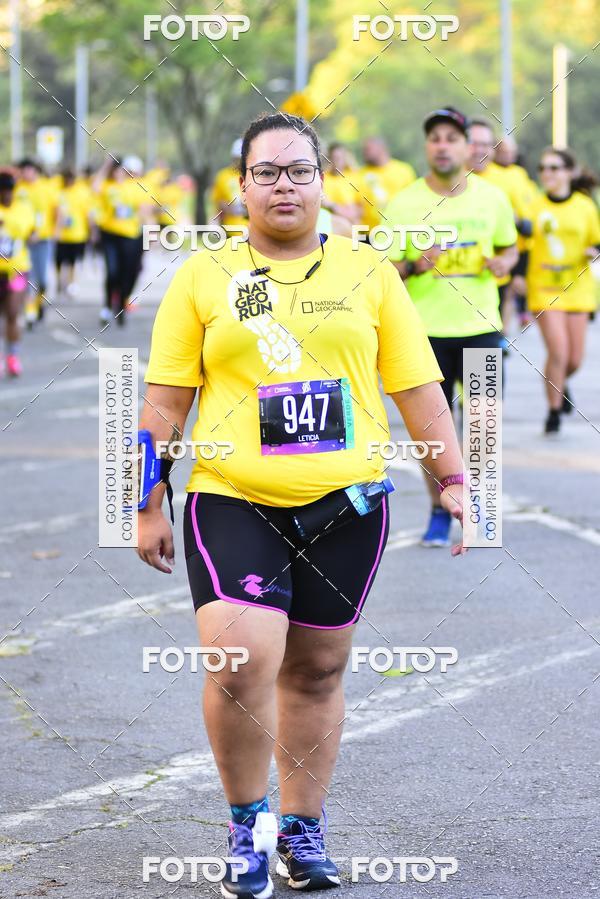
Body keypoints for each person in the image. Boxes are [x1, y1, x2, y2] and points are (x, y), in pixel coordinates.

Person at [138, 111, 467, 899]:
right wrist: (142, 501)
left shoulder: (369, 273)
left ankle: (300, 829)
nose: (282, 185)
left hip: (348, 503)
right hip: (233, 496)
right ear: (241, 186)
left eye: (298, 171)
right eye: (266, 172)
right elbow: (160, 405)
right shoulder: (203, 276)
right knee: (239, 661)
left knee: (317, 671)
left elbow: (419, 389)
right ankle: (246, 826)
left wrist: (456, 478)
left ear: (324, 184)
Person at [385, 106, 517, 547]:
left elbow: (509, 249)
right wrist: (415, 265)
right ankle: (439, 509)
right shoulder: (404, 203)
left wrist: (503, 262)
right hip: (423, 333)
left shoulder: (492, 198)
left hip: (480, 326)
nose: (442, 145)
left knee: (482, 426)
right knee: (432, 434)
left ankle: (483, 518)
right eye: (435, 138)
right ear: (428, 147)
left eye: (451, 138)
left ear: (467, 147)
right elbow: (383, 272)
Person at [526, 147, 600, 434]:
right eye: (543, 168)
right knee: (558, 352)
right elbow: (520, 245)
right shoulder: (534, 206)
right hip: (544, 288)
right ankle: (554, 411)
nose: (548, 173)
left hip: (578, 288)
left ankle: (558, 381)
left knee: (573, 359)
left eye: (555, 168)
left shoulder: (584, 206)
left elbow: (596, 240)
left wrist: (593, 251)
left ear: (569, 172)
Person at [468, 121, 535, 335]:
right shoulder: (436, 188)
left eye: (484, 144)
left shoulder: (502, 182)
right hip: (438, 328)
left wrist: (507, 261)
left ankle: (502, 337)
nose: (478, 151)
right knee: (441, 370)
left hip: (482, 322)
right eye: (472, 143)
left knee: (485, 364)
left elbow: (513, 241)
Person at [93, 155, 152, 325]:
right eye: (116, 170)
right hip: (110, 234)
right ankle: (106, 305)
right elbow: (95, 187)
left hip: (130, 236)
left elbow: (145, 211)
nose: (120, 173)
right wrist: (106, 166)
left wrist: (150, 233)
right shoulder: (108, 186)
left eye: (123, 170)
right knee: (112, 271)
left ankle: (121, 303)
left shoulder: (135, 187)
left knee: (128, 273)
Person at [15, 158, 58, 326]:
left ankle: (39, 304)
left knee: (43, 280)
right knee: (27, 277)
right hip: (24, 241)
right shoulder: (18, 189)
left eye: (28, 169)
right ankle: (29, 310)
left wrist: (55, 231)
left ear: (35, 171)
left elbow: (57, 211)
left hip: (43, 240)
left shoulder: (46, 188)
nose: (25, 173)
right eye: (23, 170)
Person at [0, 171, 35, 377]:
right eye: (2, 192)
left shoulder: (23, 209)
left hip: (17, 270)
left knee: (13, 312)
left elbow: (30, 232)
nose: (6, 196)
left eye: (9, 192)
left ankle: (12, 356)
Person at [358, 136, 416, 229]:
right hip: (369, 233)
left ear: (381, 148)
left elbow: (413, 201)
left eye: (368, 149)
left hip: (398, 231)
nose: (364, 153)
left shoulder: (404, 170)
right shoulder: (360, 174)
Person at [54, 168, 91, 298]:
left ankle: (72, 283)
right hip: (62, 235)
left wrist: (91, 230)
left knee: (74, 261)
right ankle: (60, 281)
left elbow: (88, 212)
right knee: (59, 261)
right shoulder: (60, 192)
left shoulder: (82, 192)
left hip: (78, 234)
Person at [211, 139, 249, 228]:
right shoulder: (222, 176)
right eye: (239, 159)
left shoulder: (252, 175)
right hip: (231, 228)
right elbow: (218, 203)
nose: (241, 162)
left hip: (252, 230)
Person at [322, 143, 362, 224]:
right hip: (334, 224)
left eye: (340, 157)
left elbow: (361, 207)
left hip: (355, 225)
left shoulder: (355, 176)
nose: (338, 161)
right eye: (335, 158)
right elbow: (326, 203)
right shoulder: (324, 178)